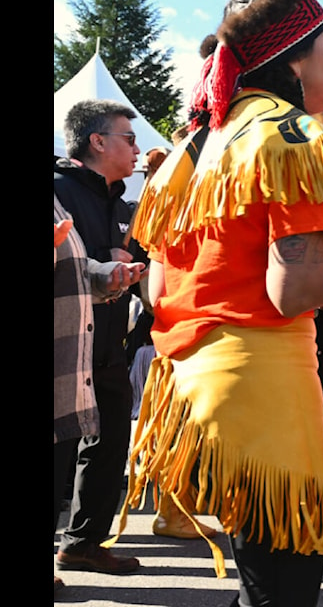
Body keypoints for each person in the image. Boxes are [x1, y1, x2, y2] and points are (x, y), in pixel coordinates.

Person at [111, 0, 323, 605]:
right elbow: (293, 290)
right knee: (284, 589)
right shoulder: (291, 138)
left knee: (262, 584)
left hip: (193, 389)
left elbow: (159, 284)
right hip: (265, 395)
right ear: (298, 57)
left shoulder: (193, 145)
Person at [54, 98, 151, 575]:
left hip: (111, 346)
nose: (138, 150)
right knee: (58, 457)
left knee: (110, 446)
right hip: (65, 353)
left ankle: (84, 542)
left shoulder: (122, 201)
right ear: (97, 141)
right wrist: (104, 260)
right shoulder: (58, 191)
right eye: (129, 138)